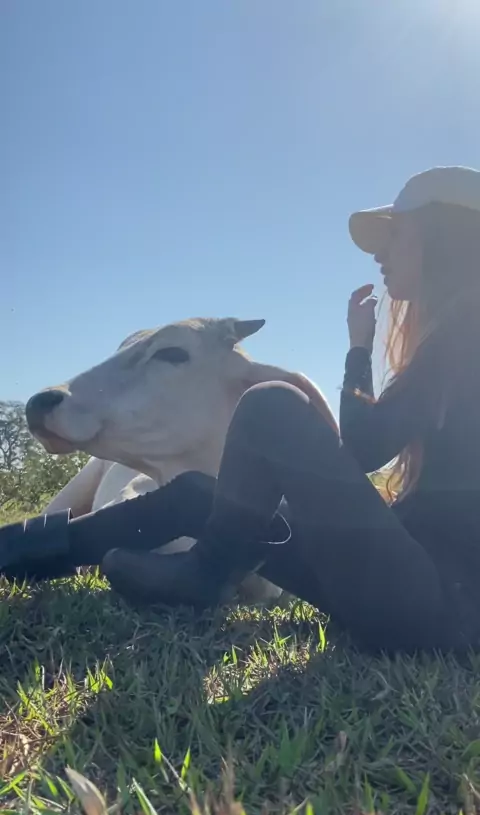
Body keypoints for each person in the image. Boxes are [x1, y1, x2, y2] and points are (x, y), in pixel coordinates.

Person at [3, 165, 480, 655]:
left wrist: (358, 349)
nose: (379, 253)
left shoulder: (466, 335)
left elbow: (363, 447)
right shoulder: (454, 339)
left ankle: (206, 572)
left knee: (271, 404)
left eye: (396, 234)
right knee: (196, 495)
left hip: (436, 611)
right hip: (411, 596)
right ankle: (10, 551)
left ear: (442, 240)